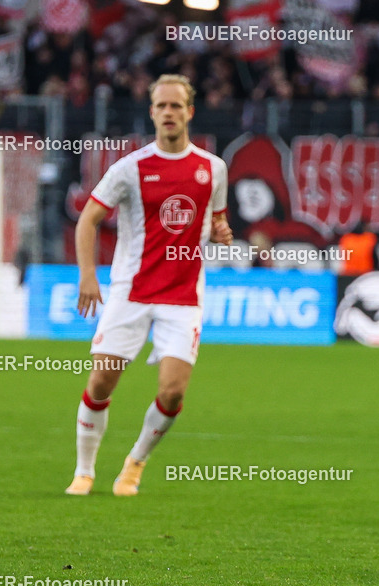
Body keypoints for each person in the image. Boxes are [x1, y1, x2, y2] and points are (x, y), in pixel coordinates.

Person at [65, 74, 232, 497]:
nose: (169, 112)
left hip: (183, 296)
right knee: (101, 382)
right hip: (130, 291)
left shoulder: (213, 169)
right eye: (162, 106)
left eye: (177, 105)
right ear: (152, 112)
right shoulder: (130, 168)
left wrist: (222, 231)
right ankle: (84, 470)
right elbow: (87, 219)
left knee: (173, 392)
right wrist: (88, 275)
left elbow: (215, 222)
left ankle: (135, 462)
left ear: (190, 111)